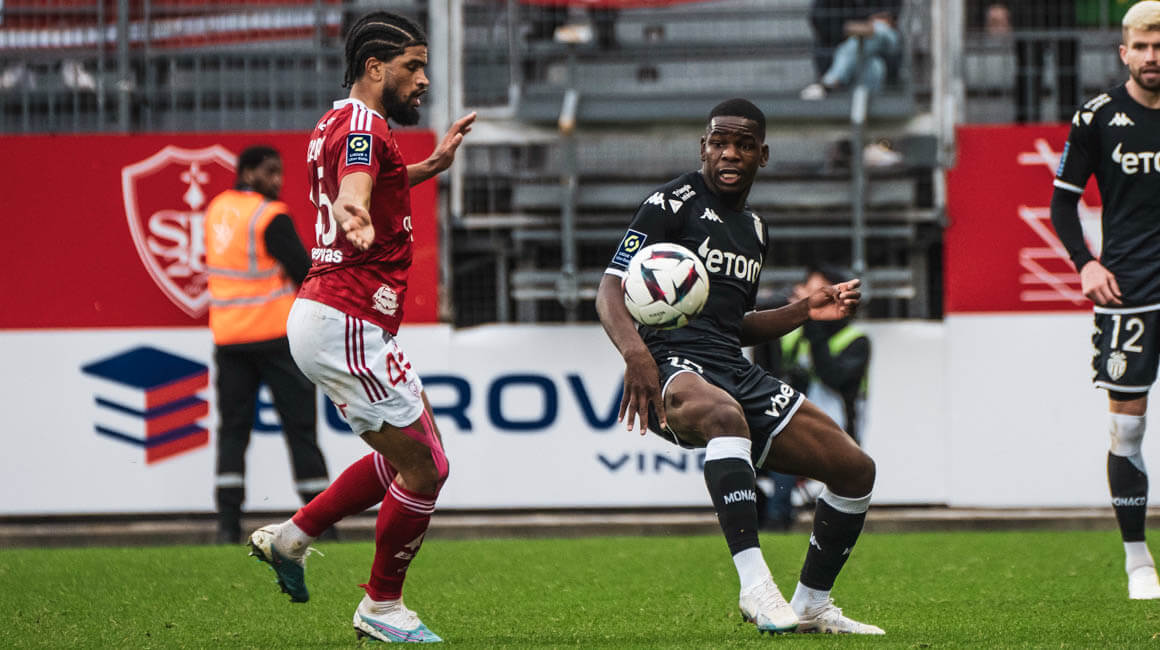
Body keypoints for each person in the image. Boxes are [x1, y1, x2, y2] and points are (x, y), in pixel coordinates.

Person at [595, 98, 883, 635]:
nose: (730, 153)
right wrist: (636, 354)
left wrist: (805, 309)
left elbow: (735, 326)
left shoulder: (754, 229)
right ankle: (755, 586)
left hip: (730, 366)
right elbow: (610, 288)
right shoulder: (670, 203)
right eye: (720, 142)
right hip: (670, 364)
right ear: (703, 148)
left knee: (854, 469)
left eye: (744, 145)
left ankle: (812, 605)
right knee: (724, 417)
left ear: (762, 156)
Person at [245, 11, 476, 643]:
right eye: (413, 67)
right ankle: (381, 605)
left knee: (413, 452)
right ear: (375, 68)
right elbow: (355, 186)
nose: (423, 79)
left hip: (336, 315)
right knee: (426, 468)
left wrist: (431, 165)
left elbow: (373, 180)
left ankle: (292, 538)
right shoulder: (363, 126)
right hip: (345, 315)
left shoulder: (335, 120)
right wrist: (354, 210)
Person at [1049, 1, 1160, 601]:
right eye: (1141, 46)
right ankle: (1138, 561)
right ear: (1124, 52)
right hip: (1129, 293)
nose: (1151, 56)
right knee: (1128, 430)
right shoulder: (1096, 117)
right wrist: (1085, 263)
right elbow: (1062, 203)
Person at [204, 146, 330, 545]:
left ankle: (227, 526)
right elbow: (305, 272)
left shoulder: (216, 210)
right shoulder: (270, 215)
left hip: (229, 339)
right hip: (275, 338)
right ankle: (323, 524)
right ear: (247, 172)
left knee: (232, 433)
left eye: (279, 172)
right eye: (269, 171)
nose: (277, 180)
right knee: (301, 430)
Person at [752, 265, 872, 531]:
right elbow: (765, 374)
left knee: (786, 445)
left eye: (819, 294)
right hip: (793, 422)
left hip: (839, 431)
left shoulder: (856, 340)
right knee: (737, 451)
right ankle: (764, 515)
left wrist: (814, 322)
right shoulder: (794, 335)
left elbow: (834, 377)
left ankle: (777, 519)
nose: (810, 299)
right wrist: (778, 315)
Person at [800, 0, 903, 100]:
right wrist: (852, 29)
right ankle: (865, 106)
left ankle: (830, 81)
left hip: (886, 41)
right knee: (874, 64)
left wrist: (862, 28)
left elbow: (889, 17)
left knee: (878, 30)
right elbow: (819, 21)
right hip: (866, 54)